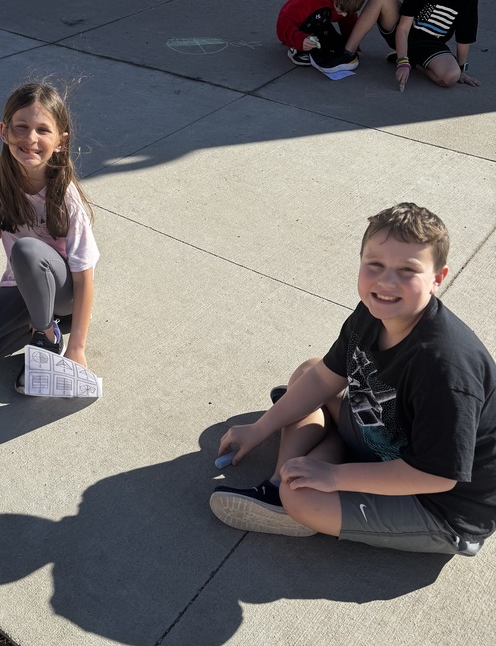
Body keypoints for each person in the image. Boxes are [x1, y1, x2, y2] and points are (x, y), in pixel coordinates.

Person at [211, 203, 496, 556]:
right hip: (387, 440)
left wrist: (334, 478)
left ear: (438, 278)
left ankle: (294, 495)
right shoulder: (372, 312)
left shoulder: (446, 368)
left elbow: (438, 475)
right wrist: (260, 428)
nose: (386, 281)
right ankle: (277, 484)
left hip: (438, 505)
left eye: (407, 270)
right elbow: (323, 378)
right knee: (307, 371)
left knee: (303, 498)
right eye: (374, 264)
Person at [0, 82, 99, 392]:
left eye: (43, 130)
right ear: (4, 131)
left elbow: (85, 278)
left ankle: (48, 337)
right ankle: (42, 324)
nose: (30, 138)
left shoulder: (66, 197)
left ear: (60, 141)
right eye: (21, 127)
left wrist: (78, 350)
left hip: (65, 293)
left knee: (27, 251)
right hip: (24, 284)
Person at [390, 0, 479, 91]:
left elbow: (464, 38)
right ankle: (350, 53)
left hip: (431, 45)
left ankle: (416, 63)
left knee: (451, 77)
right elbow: (403, 27)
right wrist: (402, 62)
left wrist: (461, 68)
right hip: (402, 35)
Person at [276, 0, 368, 66]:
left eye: (348, 12)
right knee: (319, 18)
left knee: (337, 47)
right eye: (342, 10)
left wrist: (354, 47)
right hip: (296, 26)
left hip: (320, 22)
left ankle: (314, 41)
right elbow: (283, 22)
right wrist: (299, 39)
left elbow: (349, 23)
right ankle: (296, 49)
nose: (344, 15)